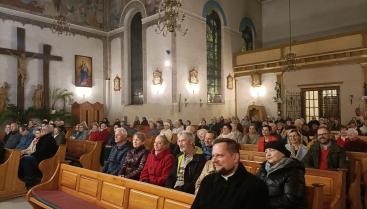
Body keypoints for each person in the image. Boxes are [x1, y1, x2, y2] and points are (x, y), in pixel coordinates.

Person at [191, 138, 270, 209]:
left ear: (235, 157)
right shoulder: (208, 180)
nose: (213, 160)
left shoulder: (255, 187)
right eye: (213, 156)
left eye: (219, 155)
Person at [257, 141, 307, 209]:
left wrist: (263, 202)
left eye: (272, 150)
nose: (268, 154)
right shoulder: (263, 168)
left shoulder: (294, 170)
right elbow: (254, 186)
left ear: (282, 153)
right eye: (266, 152)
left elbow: (291, 199)